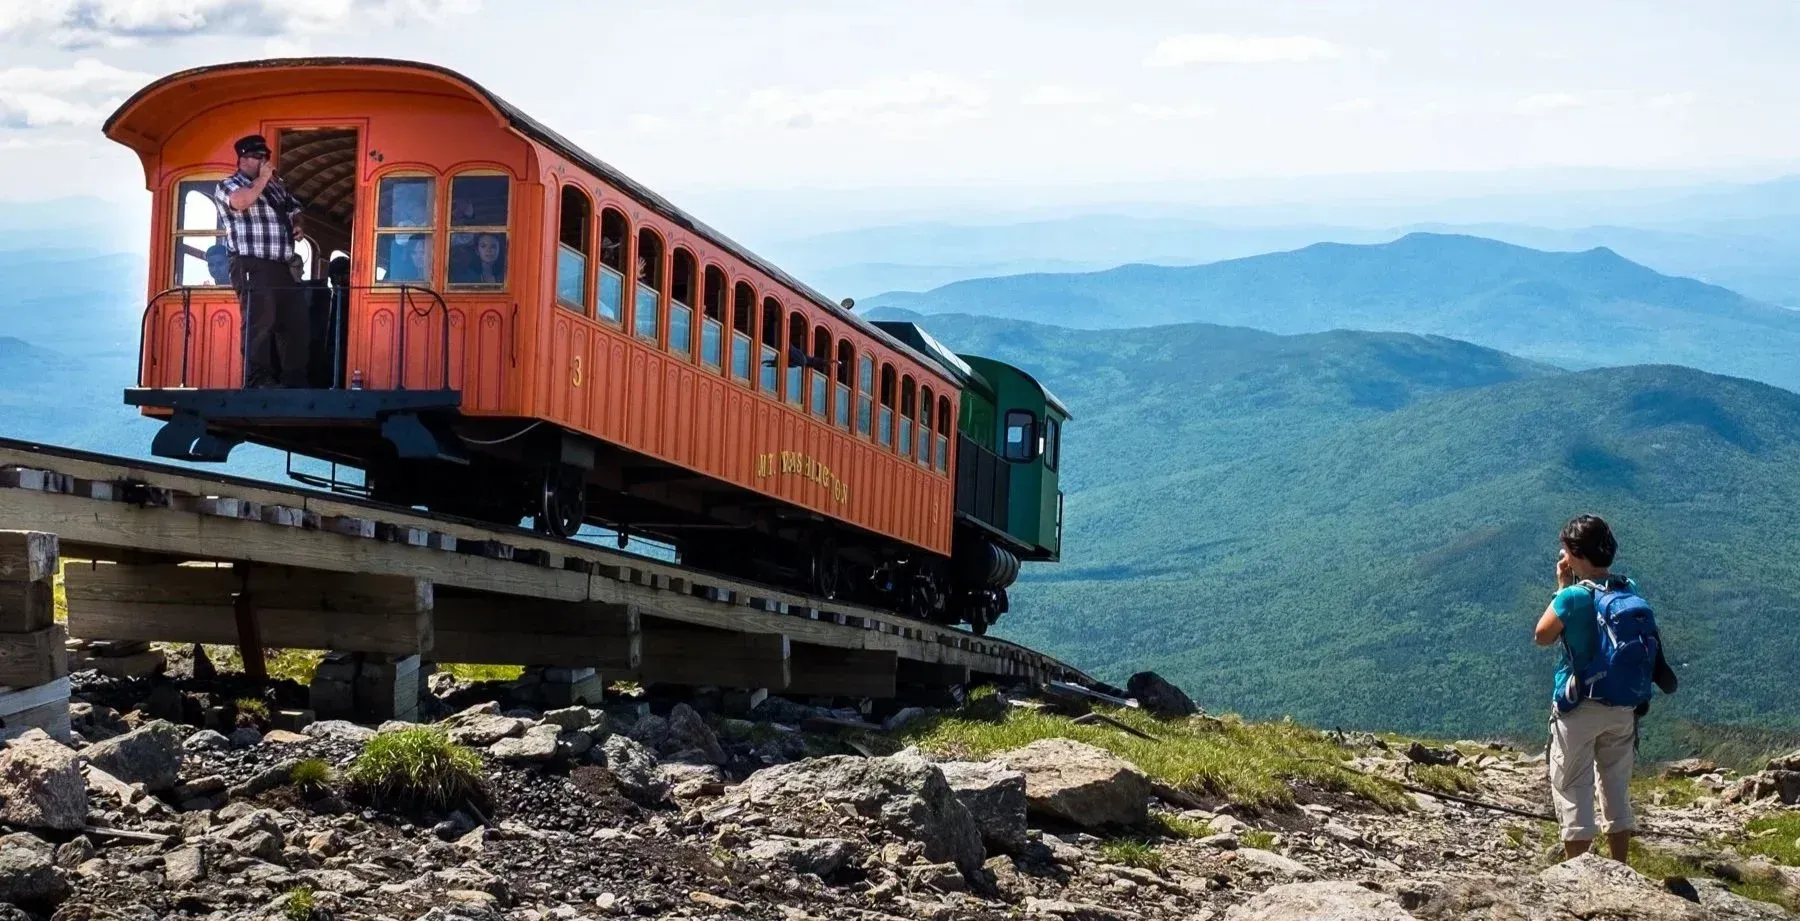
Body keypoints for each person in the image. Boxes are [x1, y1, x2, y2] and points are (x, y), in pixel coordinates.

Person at [1532, 514, 1671, 862]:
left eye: (1565, 550)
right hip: (1623, 704)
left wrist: (1561, 586)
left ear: (1576, 554)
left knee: (1573, 785)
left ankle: (1579, 875)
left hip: (1578, 705)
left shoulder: (1574, 597)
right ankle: (1620, 868)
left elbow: (1542, 636)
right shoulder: (1628, 587)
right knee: (1615, 785)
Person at [213, 134, 308, 388]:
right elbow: (241, 201)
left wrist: (298, 224)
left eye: (266, 157)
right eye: (259, 158)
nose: (265, 162)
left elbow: (295, 207)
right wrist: (264, 179)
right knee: (259, 321)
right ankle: (258, 378)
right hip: (251, 264)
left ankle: (293, 378)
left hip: (281, 266)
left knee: (294, 321)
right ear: (244, 159)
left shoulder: (275, 186)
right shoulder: (228, 185)